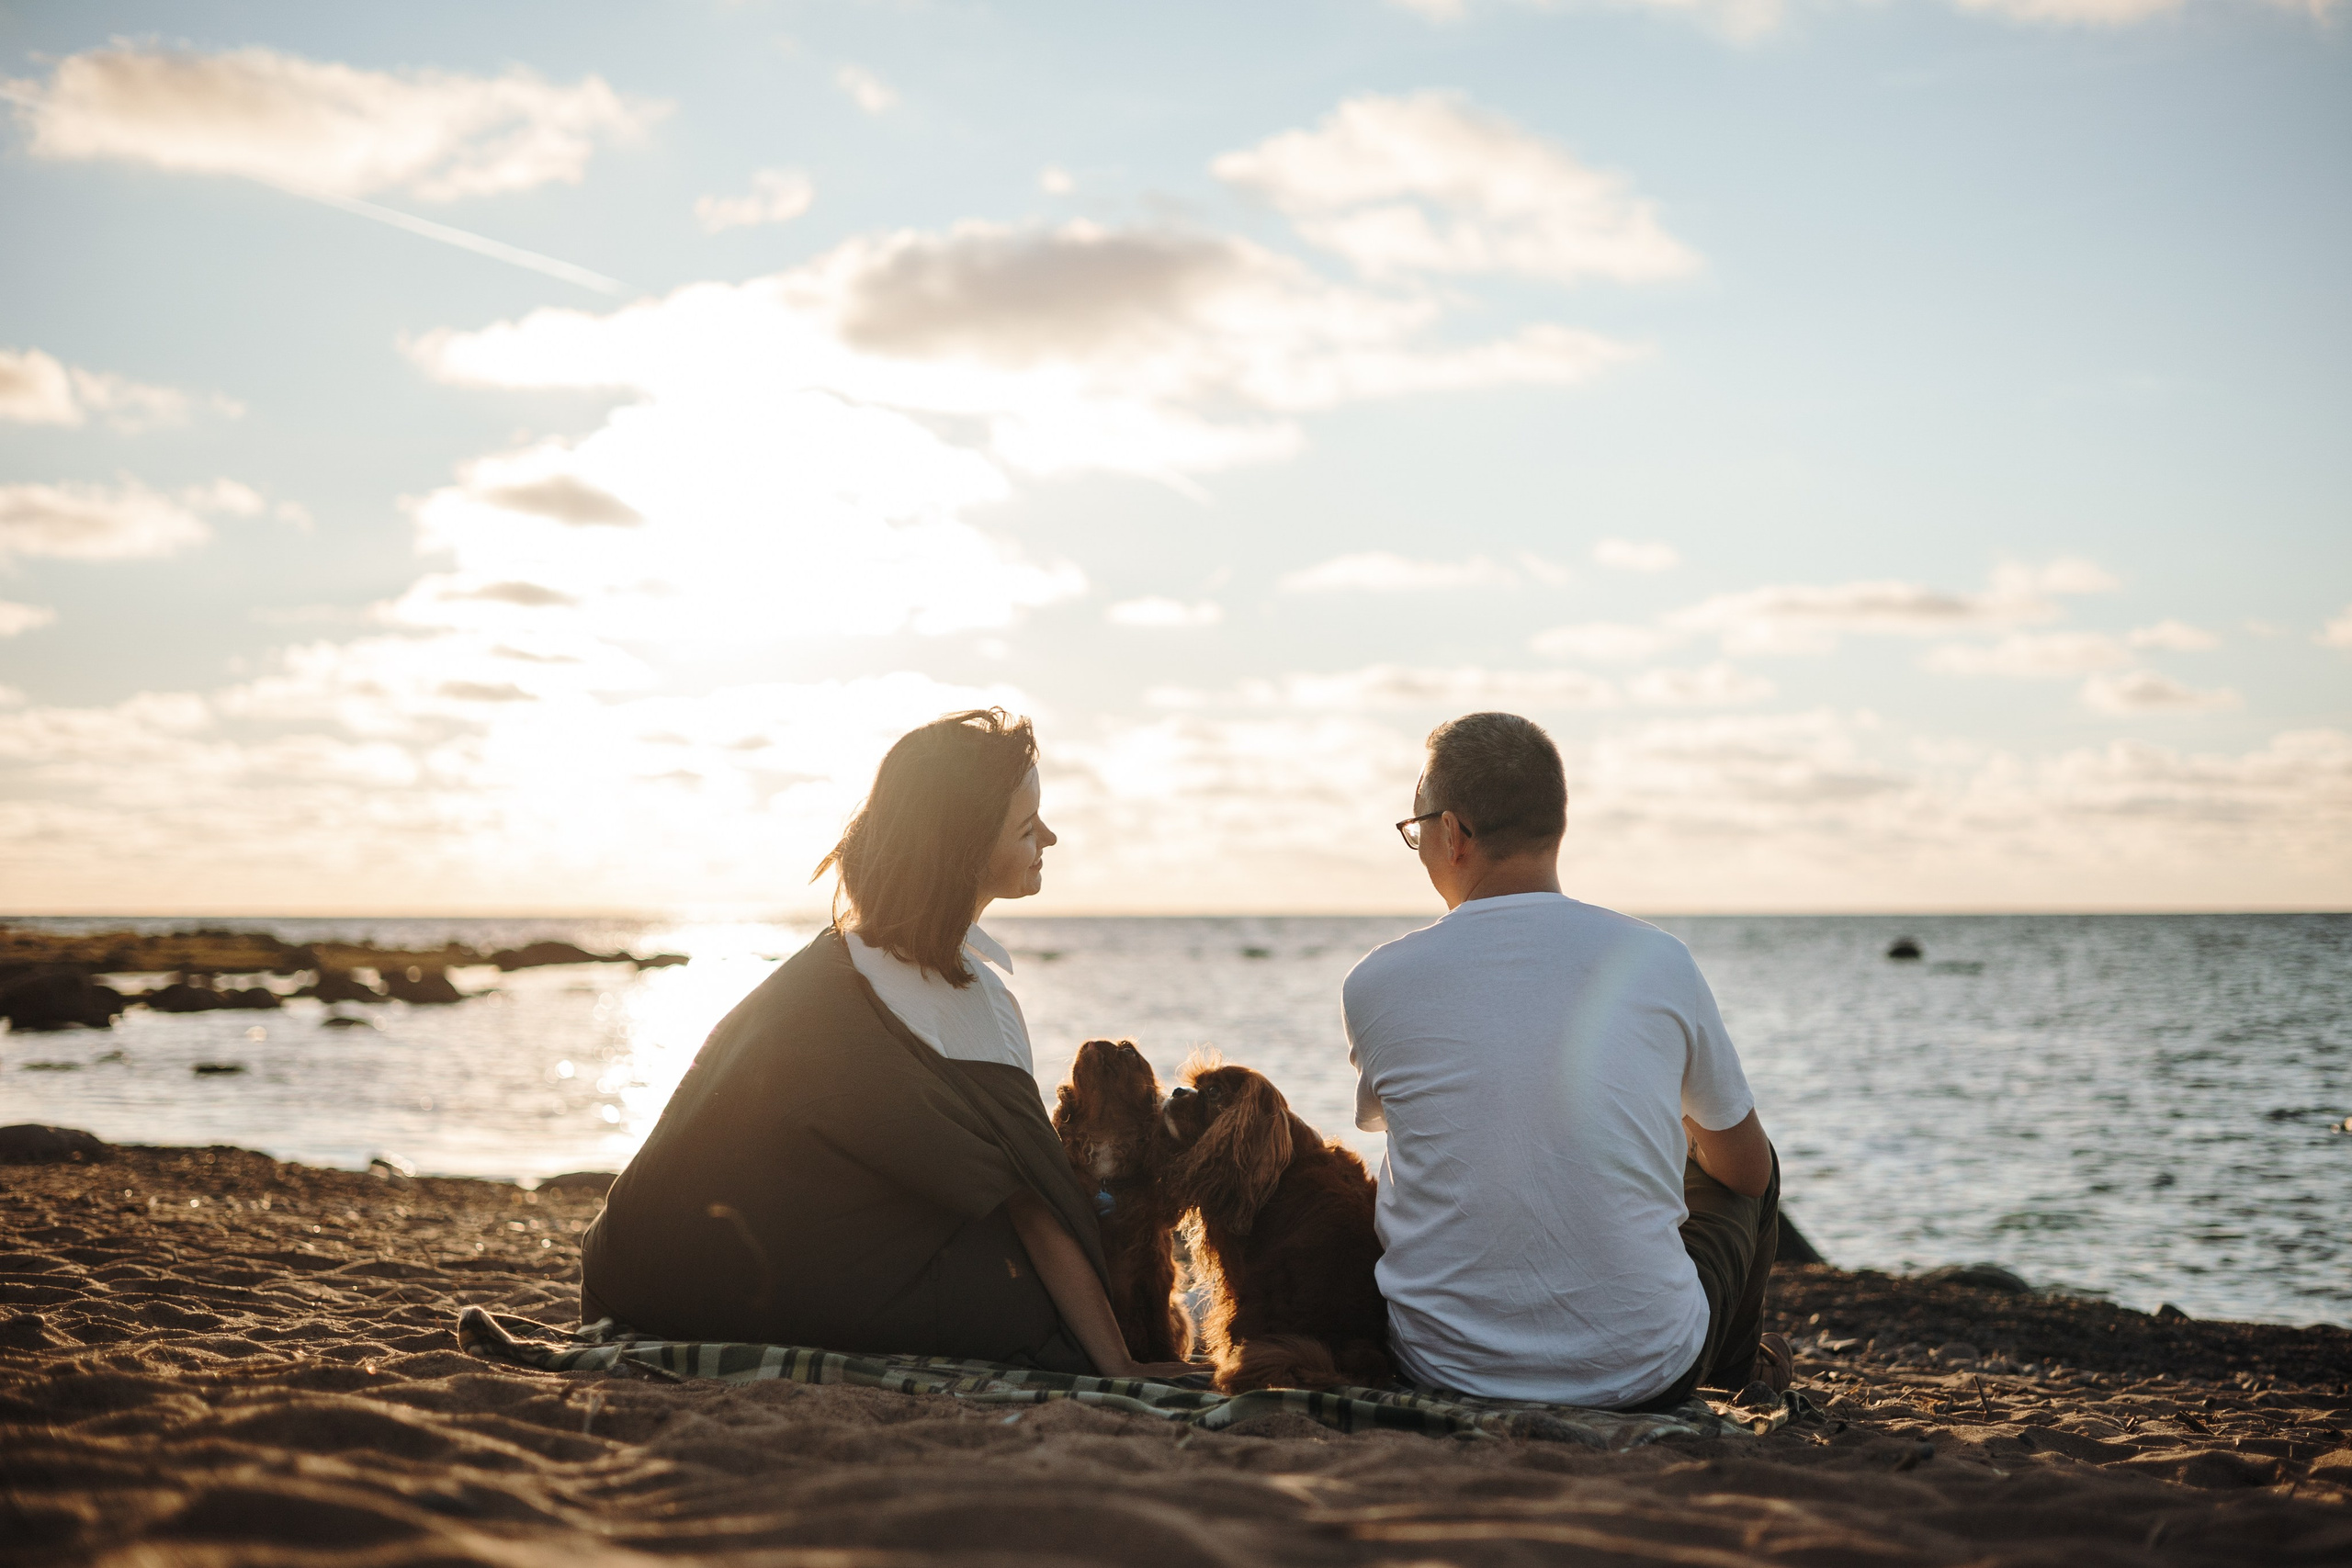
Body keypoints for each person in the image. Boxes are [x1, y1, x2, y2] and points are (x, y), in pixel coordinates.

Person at [581, 708, 1183, 1379]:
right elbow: (1035, 1206)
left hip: (627, 1271)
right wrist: (1118, 1363)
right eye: (1026, 825)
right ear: (966, 850)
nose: (1050, 834)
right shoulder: (980, 1003)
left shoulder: (822, 965)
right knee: (1032, 1301)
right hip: (724, 1290)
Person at [1343, 711, 1792, 1410]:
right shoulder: (1658, 960)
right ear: (1556, 825)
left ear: (1455, 833)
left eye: (1419, 825)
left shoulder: (1376, 982)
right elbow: (1748, 1171)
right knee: (1744, 1160)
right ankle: (1737, 1370)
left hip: (1439, 1365)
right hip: (1646, 1372)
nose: (1421, 842)